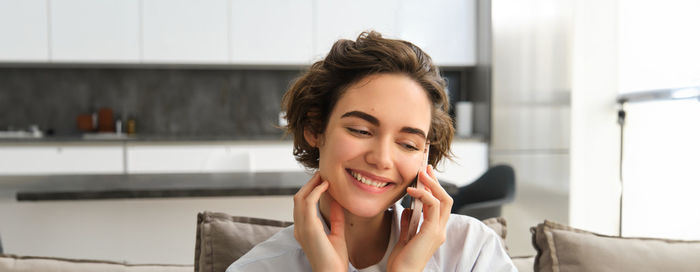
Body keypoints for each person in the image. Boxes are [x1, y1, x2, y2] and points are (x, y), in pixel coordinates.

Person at [227, 31, 516, 272]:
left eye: (408, 144)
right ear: (315, 128)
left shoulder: (471, 250)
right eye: (361, 131)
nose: (381, 158)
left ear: (424, 155)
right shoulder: (258, 268)